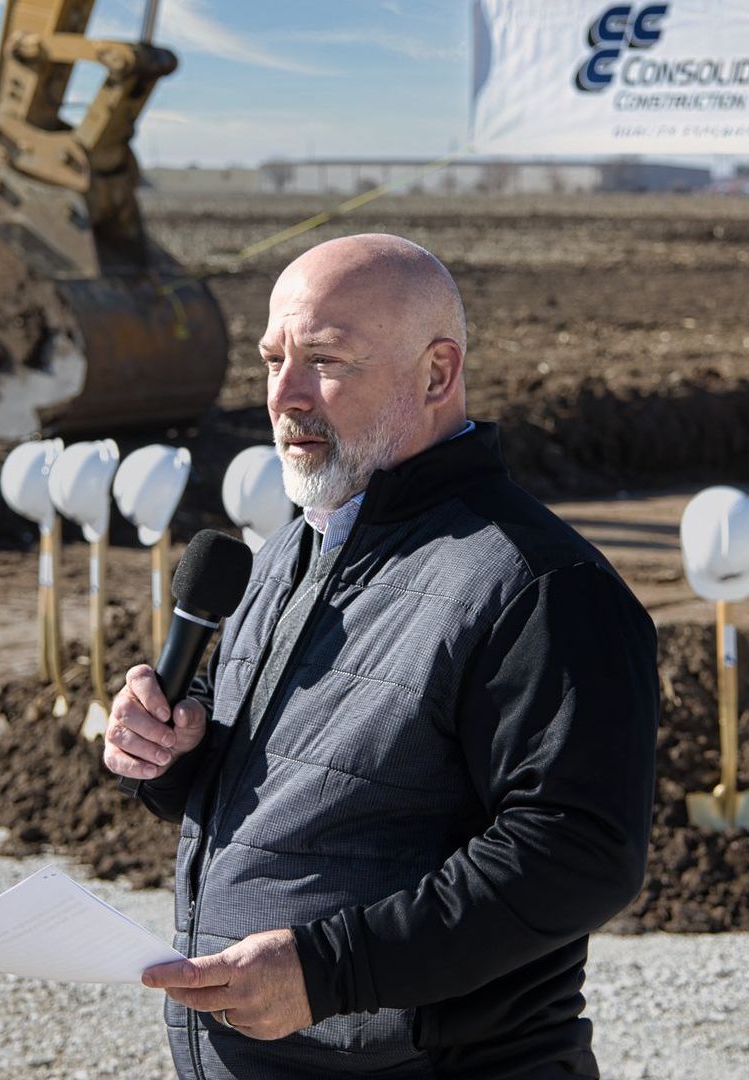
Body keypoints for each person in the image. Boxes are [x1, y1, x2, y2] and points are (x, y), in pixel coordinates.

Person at [103, 233, 659, 1078]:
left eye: (325, 361)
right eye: (272, 359)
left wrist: (328, 972)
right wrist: (177, 758)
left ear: (437, 373)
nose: (283, 396)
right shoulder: (295, 550)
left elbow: (577, 853)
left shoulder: (540, 585)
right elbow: (299, 786)